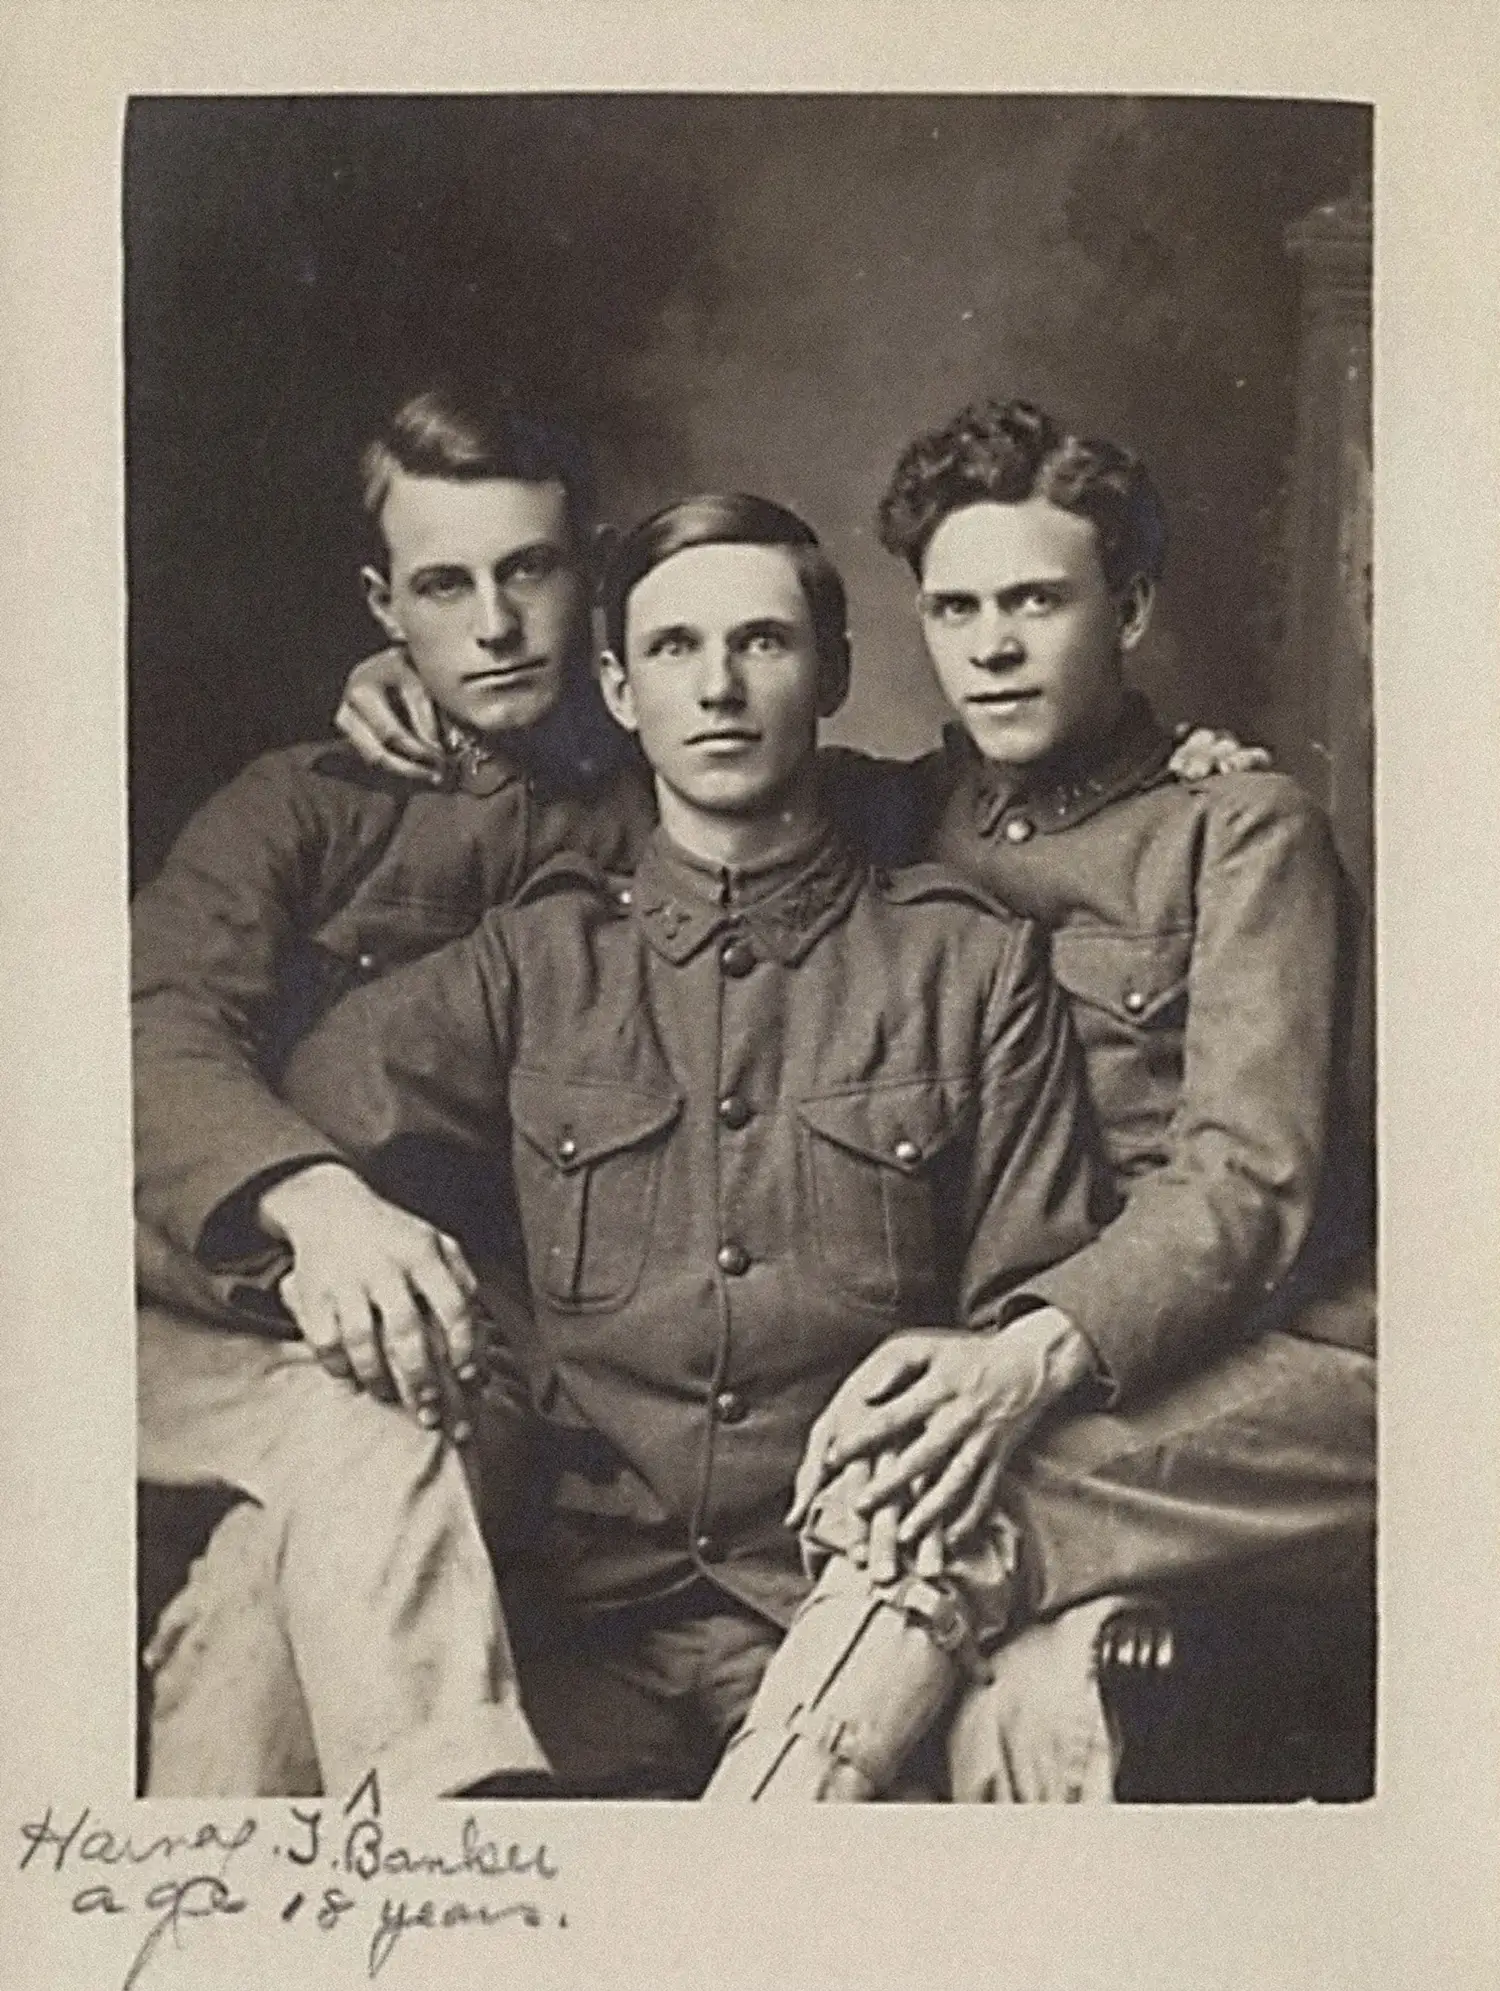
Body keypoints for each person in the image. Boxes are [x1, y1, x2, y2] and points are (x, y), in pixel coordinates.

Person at [240, 492, 1118, 1800]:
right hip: (562, 1637)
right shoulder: (533, 963)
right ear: (616, 683)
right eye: (672, 649)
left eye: (763, 643)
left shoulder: (971, 971)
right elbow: (271, 1148)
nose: (718, 687)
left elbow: (1012, 1343)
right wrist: (325, 1222)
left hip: (852, 1630)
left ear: (833, 671)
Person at [718, 399, 1375, 1800]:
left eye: (1036, 600)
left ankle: (735, 1877)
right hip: (1054, 1380)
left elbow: (1249, 1190)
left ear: (1129, 607)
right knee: (1012, 1657)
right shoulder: (893, 817)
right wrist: (408, 694)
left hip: (1299, 1368)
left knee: (936, 1504)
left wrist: (1020, 1361)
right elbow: (673, 757)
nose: (994, 646)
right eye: (956, 608)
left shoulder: (1242, 829)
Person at [133, 380, 656, 1795]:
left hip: (450, 1348)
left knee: (260, 1625)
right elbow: (146, 1024)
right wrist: (312, 1201)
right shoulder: (295, 801)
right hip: (194, 1311)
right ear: (384, 602)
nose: (492, 624)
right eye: (446, 583)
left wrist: (1174, 766)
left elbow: (927, 816)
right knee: (375, 1426)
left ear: (587, 574)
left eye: (530, 569)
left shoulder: (669, 793)